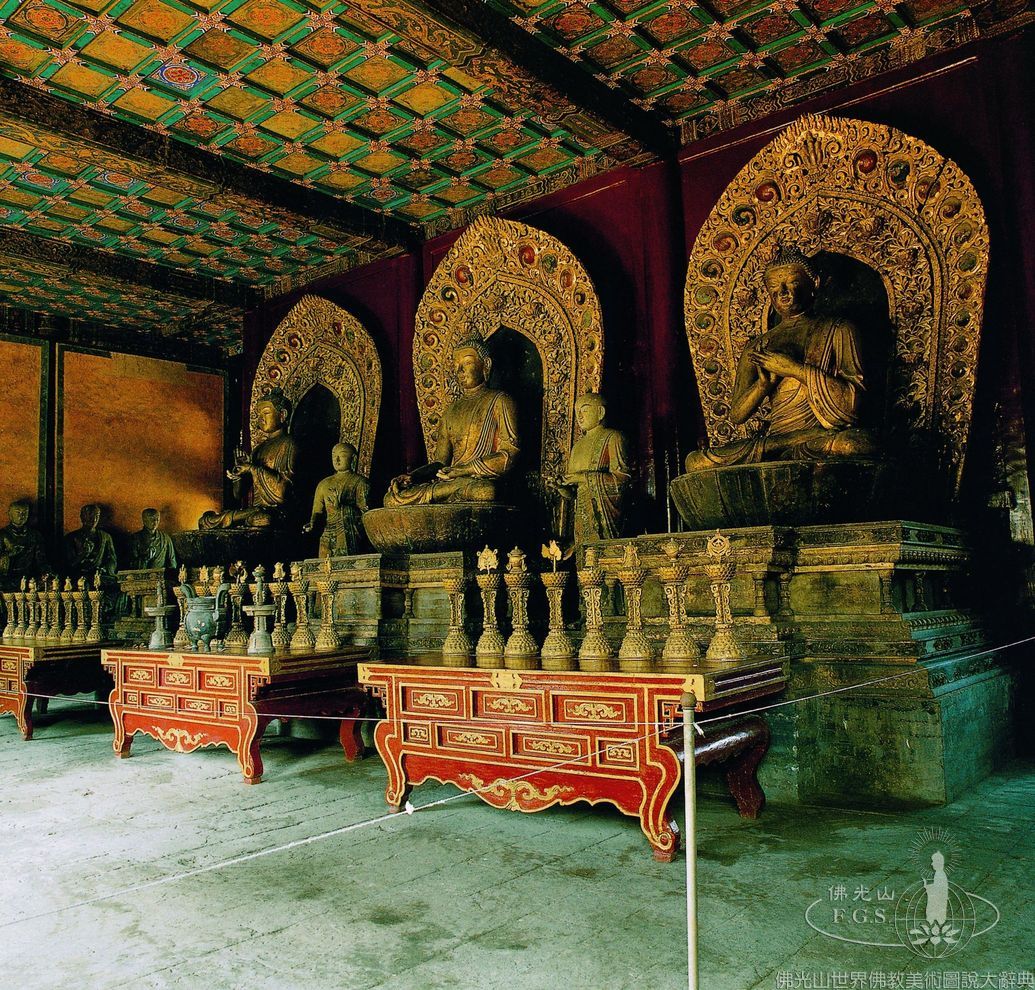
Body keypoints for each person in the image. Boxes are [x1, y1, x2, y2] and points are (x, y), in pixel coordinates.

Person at [685, 245, 875, 471]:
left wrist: (794, 369)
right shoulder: (757, 346)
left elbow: (853, 404)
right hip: (777, 441)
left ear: (814, 283)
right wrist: (763, 386)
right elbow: (737, 414)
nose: (783, 292)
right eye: (775, 287)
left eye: (792, 282)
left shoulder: (839, 329)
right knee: (696, 461)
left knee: (857, 444)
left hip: (821, 437)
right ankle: (790, 441)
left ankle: (792, 443)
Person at [384, 338, 519, 506]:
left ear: (486, 364)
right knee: (391, 499)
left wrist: (463, 470)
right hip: (450, 484)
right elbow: (440, 463)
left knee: (486, 491)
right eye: (456, 365)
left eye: (467, 363)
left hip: (477, 481)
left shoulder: (500, 400)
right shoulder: (450, 411)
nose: (460, 370)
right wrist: (413, 477)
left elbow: (509, 456)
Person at [199, 390, 298, 529]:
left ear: (282, 415)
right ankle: (234, 519)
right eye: (258, 414)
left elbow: (283, 493)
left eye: (266, 413)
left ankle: (234, 519)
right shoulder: (258, 449)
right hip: (255, 510)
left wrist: (252, 468)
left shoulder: (290, 444)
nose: (261, 418)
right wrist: (239, 474)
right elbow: (239, 494)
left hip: (278, 511)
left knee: (264, 519)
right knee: (206, 522)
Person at [558, 393, 631, 548]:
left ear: (600, 412)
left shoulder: (613, 437)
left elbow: (623, 480)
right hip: (583, 520)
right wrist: (561, 487)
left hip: (605, 518)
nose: (579, 416)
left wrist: (583, 477)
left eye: (585, 410)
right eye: (577, 411)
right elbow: (575, 493)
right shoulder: (577, 447)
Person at [303, 442, 369, 557]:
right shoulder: (324, 484)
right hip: (327, 531)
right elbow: (317, 511)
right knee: (325, 564)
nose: (337, 460)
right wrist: (312, 524)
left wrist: (342, 508)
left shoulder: (360, 482)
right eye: (334, 456)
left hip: (347, 532)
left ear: (353, 458)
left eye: (342, 455)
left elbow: (366, 514)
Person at [0, 499, 47, 587]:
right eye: (18, 512)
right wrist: (10, 553)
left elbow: (41, 560)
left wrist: (46, 572)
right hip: (7, 577)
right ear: (10, 514)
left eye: (25, 513)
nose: (21, 516)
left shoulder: (35, 535)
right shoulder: (2, 534)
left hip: (29, 577)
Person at [65, 503, 118, 581]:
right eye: (90, 515)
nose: (94, 520)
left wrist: (105, 569)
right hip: (78, 576)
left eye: (97, 516)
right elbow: (68, 564)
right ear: (82, 517)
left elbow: (112, 559)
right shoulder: (71, 537)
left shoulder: (105, 536)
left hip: (99, 575)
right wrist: (83, 554)